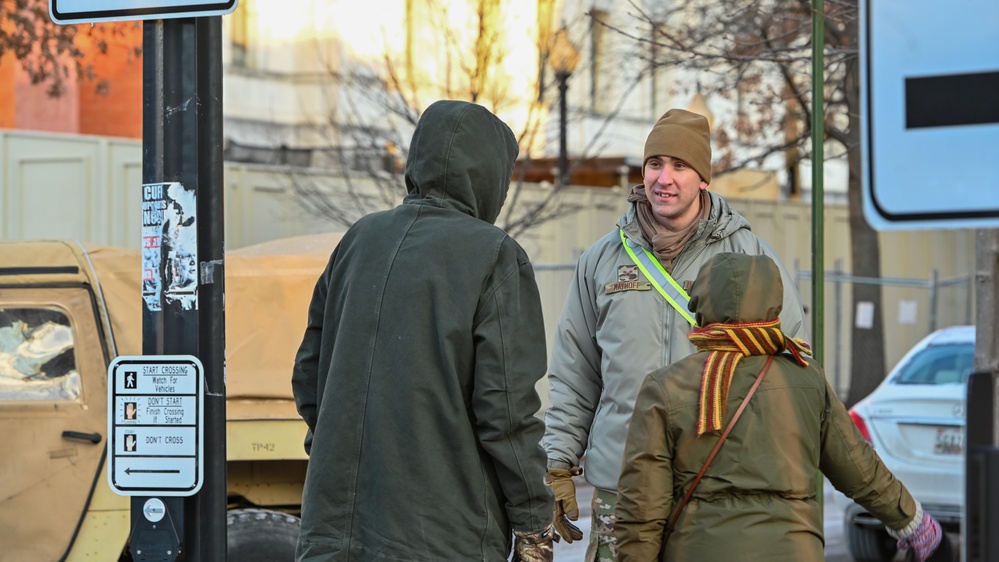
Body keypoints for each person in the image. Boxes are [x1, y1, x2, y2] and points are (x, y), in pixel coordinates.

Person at [291, 100, 556, 562]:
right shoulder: (494, 254)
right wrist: (533, 521)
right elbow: (506, 411)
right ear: (492, 177)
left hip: (334, 530)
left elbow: (309, 376)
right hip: (443, 535)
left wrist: (338, 455)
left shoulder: (357, 239)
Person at [542, 108, 809, 560]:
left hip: (715, 486)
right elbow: (575, 371)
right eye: (654, 164)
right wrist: (559, 462)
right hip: (620, 486)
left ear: (703, 178)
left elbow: (790, 365)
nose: (664, 178)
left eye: (680, 166)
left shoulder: (748, 255)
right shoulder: (602, 261)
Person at [615, 252, 943, 562]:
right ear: (774, 302)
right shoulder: (807, 378)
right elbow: (859, 467)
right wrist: (910, 520)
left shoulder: (666, 387)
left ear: (701, 302)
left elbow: (642, 506)